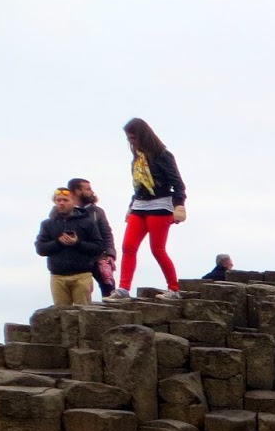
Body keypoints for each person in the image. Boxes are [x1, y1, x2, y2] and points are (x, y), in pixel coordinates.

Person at [117, 117, 186, 298]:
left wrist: (179, 205)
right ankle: (123, 289)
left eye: (133, 138)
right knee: (128, 247)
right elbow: (138, 186)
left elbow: (178, 184)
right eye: (129, 139)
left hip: (160, 205)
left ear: (142, 136)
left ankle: (173, 289)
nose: (131, 142)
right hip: (139, 204)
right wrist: (131, 205)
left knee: (157, 249)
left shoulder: (163, 155)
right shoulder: (137, 160)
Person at [35, 187, 104, 306]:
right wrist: (58, 242)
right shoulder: (47, 224)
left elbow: (98, 248)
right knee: (61, 316)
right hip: (58, 277)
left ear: (73, 201)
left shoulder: (87, 222)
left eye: (65, 200)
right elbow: (41, 249)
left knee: (83, 313)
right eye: (58, 200)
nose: (61, 203)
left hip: (82, 275)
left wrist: (77, 243)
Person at [66, 179, 116, 295]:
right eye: (88, 189)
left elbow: (107, 233)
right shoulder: (67, 213)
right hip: (77, 259)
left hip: (98, 258)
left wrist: (110, 254)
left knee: (109, 289)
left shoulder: (97, 211)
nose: (92, 192)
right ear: (77, 192)